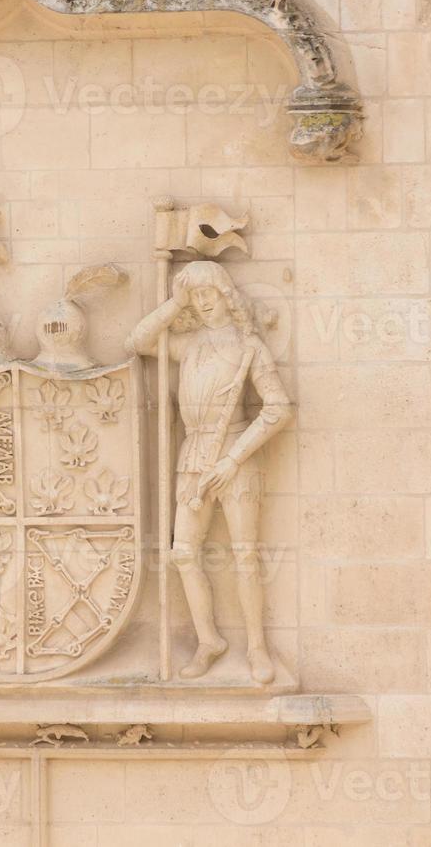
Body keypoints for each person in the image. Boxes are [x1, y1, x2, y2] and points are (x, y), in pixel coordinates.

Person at [126, 261, 293, 684]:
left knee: (244, 555)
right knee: (183, 552)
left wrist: (233, 459)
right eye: (195, 296)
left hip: (234, 455)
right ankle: (208, 640)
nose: (202, 303)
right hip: (193, 453)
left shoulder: (249, 346)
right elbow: (138, 341)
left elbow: (278, 408)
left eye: (208, 293)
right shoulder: (188, 344)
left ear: (225, 295)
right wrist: (173, 302)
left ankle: (256, 646)